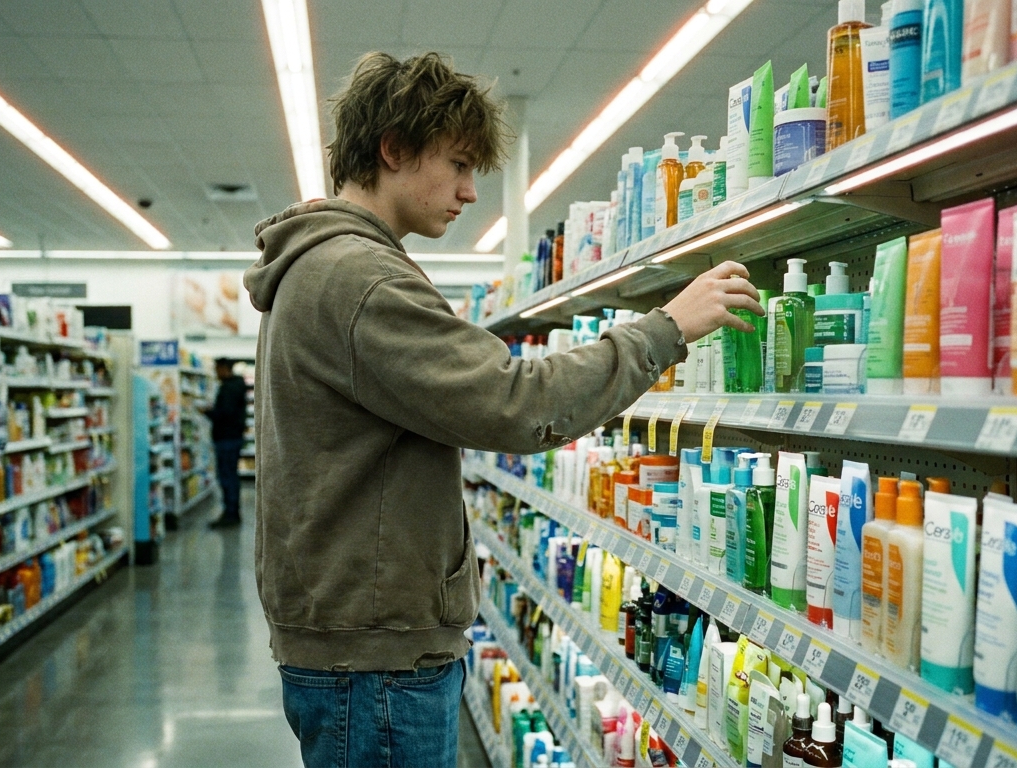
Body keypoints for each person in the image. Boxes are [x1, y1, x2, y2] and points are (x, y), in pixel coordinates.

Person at [244, 52, 763, 768]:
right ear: (393, 149)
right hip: (373, 660)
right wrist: (665, 329)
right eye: (457, 165)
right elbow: (516, 404)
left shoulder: (326, 267)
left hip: (354, 640)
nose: (467, 192)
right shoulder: (359, 277)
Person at [204, 357, 247, 528]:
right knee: (231, 475)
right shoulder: (237, 386)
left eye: (216, 369)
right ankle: (231, 511)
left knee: (227, 476)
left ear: (224, 368)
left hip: (226, 438)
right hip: (233, 437)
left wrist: (209, 413)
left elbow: (225, 414)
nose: (215, 373)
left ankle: (230, 513)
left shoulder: (229, 388)